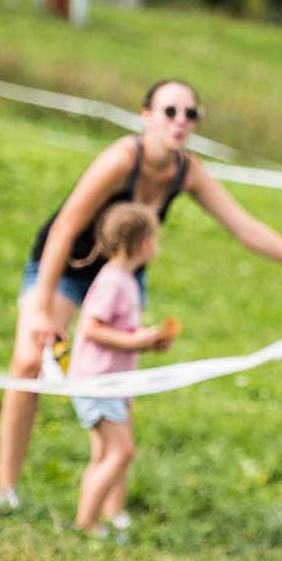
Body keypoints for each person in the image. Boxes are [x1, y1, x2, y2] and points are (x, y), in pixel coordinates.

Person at [0, 79, 282, 507]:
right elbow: (64, 228)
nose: (181, 121)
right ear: (146, 116)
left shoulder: (187, 172)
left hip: (123, 274)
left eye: (191, 114)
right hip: (66, 268)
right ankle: (7, 490)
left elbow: (245, 229)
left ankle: (112, 513)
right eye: (170, 111)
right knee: (28, 361)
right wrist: (41, 309)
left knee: (120, 378)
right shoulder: (120, 160)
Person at [66, 202, 172, 537]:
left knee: (104, 454)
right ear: (143, 243)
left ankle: (91, 518)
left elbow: (119, 331)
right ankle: (86, 523)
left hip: (112, 382)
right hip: (99, 381)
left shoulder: (125, 280)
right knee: (121, 452)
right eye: (155, 239)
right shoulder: (113, 280)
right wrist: (134, 341)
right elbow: (92, 328)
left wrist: (146, 341)